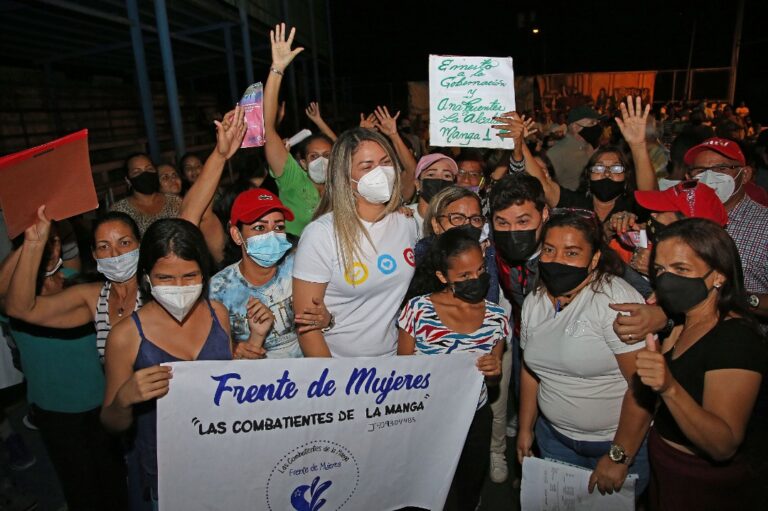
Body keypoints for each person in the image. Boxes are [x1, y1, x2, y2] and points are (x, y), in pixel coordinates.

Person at [517, 209, 652, 497]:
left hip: (614, 442)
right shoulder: (535, 302)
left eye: (571, 253)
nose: (557, 261)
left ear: (593, 260)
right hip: (554, 439)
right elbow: (532, 372)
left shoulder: (614, 300)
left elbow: (642, 387)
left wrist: (619, 456)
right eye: (549, 250)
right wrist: (526, 428)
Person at [634, 218, 767, 508]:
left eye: (681, 269)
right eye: (660, 270)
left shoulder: (735, 340)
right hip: (666, 469)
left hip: (706, 483)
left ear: (718, 275)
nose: (668, 279)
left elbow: (723, 445)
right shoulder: (682, 320)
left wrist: (668, 387)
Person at [0, 212, 129, 510]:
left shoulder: (80, 283)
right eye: (45, 243)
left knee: (113, 482)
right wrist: (31, 242)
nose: (49, 249)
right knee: (79, 487)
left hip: (102, 400)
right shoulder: (16, 298)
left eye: (55, 242)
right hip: (55, 409)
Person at [101, 219, 233, 505]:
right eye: (165, 278)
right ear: (147, 277)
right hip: (165, 475)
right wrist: (125, 399)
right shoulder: (125, 337)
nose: (179, 287)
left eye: (190, 276)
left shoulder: (218, 315)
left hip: (224, 463)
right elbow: (111, 423)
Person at [398, 227, 505, 511]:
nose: (476, 280)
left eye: (480, 271)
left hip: (475, 418)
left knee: (468, 488)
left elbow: (493, 383)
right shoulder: (418, 310)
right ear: (443, 277)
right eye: (464, 276)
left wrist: (494, 372)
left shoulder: (496, 317)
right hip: (428, 417)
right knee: (426, 488)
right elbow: (402, 372)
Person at [293, 127, 418, 358]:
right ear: (345, 178)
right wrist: (332, 381)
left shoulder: (407, 224)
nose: (381, 172)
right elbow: (307, 325)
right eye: (367, 166)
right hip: (339, 364)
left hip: (393, 360)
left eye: (385, 161)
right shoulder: (321, 235)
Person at [210, 189, 329, 359]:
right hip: (257, 383)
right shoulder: (218, 290)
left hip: (307, 375)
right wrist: (233, 349)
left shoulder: (301, 267)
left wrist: (327, 321)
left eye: (278, 227)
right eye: (259, 227)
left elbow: (330, 316)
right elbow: (211, 355)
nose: (271, 235)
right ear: (237, 235)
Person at [684, 137, 768, 319]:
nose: (709, 177)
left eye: (721, 169)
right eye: (700, 170)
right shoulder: (683, 219)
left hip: (747, 339)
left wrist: (742, 300)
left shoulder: (764, 225)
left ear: (745, 174)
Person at [263, 24, 331, 237]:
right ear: (303, 162)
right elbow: (267, 127)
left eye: (328, 155)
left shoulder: (341, 184)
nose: (322, 161)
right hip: (294, 251)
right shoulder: (293, 177)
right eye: (314, 156)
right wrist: (277, 69)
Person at [415, 186, 499, 304]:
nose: (467, 225)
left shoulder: (490, 253)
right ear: (436, 225)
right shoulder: (419, 259)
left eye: (475, 219)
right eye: (457, 218)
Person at [110, 152, 183, 236]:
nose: (145, 174)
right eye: (137, 172)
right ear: (128, 180)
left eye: (149, 169)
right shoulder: (120, 210)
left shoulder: (175, 201)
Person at [545, 105, 602, 191]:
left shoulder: (589, 147)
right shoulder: (556, 152)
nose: (596, 126)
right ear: (576, 127)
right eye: (592, 123)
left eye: (597, 123)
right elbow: (548, 187)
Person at [406, 153, 458, 238]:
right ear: (418, 184)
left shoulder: (457, 221)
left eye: (447, 175)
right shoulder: (403, 217)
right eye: (431, 174)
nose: (440, 179)